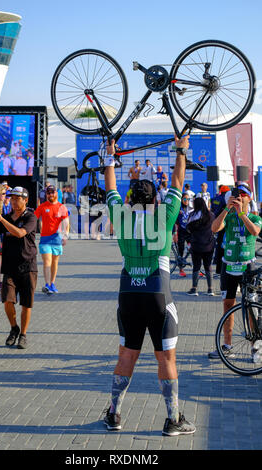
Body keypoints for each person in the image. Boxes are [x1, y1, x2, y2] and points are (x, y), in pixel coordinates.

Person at [103, 135, 196, 436]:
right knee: (166, 357)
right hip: (158, 293)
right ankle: (173, 419)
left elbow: (111, 187)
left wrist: (109, 155)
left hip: (128, 293)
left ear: (130, 199)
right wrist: (180, 149)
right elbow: (178, 181)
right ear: (155, 199)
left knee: (126, 354)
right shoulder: (165, 214)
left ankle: (114, 414)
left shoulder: (120, 213)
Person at [208, 183, 262, 359]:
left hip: (248, 267)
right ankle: (227, 345)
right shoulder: (229, 215)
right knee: (227, 306)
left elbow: (254, 231)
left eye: (243, 195)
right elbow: (214, 228)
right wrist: (226, 208)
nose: (239, 197)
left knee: (250, 308)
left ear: (249, 198)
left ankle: (256, 346)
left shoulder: (254, 217)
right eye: (236, 194)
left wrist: (240, 213)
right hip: (229, 266)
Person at [0, 187, 38, 350]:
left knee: (26, 304)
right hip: (10, 266)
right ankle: (14, 328)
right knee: (7, 300)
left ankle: (23, 335)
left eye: (17, 198)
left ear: (25, 200)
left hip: (28, 266)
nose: (13, 201)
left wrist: (3, 221)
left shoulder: (30, 217)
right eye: (11, 198)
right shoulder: (7, 216)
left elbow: (20, 233)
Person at [34, 185, 69, 294]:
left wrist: (65, 236)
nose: (50, 195)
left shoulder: (62, 207)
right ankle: (47, 284)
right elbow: (33, 219)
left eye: (52, 192)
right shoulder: (42, 207)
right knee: (47, 262)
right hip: (45, 239)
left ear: (56, 194)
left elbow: (66, 223)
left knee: (55, 262)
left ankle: (52, 283)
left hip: (57, 238)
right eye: (48, 193)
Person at [186, 197, 215, 296]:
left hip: (196, 245)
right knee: (208, 266)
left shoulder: (192, 215)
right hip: (209, 245)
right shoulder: (211, 215)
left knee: (196, 266)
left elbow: (188, 229)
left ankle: (194, 289)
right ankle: (210, 289)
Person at [210, 185, 230, 276]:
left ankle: (218, 269)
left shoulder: (214, 199)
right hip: (224, 223)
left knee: (219, 246)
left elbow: (212, 210)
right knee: (224, 246)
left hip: (215, 222)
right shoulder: (225, 200)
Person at [175, 192, 193, 277]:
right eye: (185, 199)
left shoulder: (191, 208)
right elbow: (175, 223)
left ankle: (197, 268)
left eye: (188, 199)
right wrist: (175, 233)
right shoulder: (178, 208)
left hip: (189, 232)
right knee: (180, 251)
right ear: (182, 200)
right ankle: (181, 269)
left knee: (194, 249)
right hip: (181, 232)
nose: (186, 201)